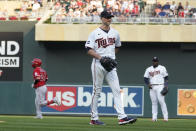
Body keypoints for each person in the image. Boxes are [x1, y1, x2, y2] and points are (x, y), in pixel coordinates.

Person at [85, 10, 137, 125]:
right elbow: (88, 49)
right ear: (102, 18)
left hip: (110, 65)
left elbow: (117, 46)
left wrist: (111, 58)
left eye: (110, 17)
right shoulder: (94, 33)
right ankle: (94, 118)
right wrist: (101, 58)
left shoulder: (115, 33)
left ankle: (122, 117)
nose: (109, 19)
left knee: (117, 90)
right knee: (97, 91)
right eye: (107, 17)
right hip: (98, 64)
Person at [144, 57, 169, 122]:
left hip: (160, 86)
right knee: (154, 102)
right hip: (152, 87)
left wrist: (166, 86)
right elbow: (145, 78)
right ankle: (154, 118)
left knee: (161, 101)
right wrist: (148, 84)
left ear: (158, 62)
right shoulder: (149, 69)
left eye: (156, 61)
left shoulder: (162, 68)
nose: (154, 62)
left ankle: (165, 117)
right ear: (152, 62)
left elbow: (166, 77)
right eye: (153, 61)